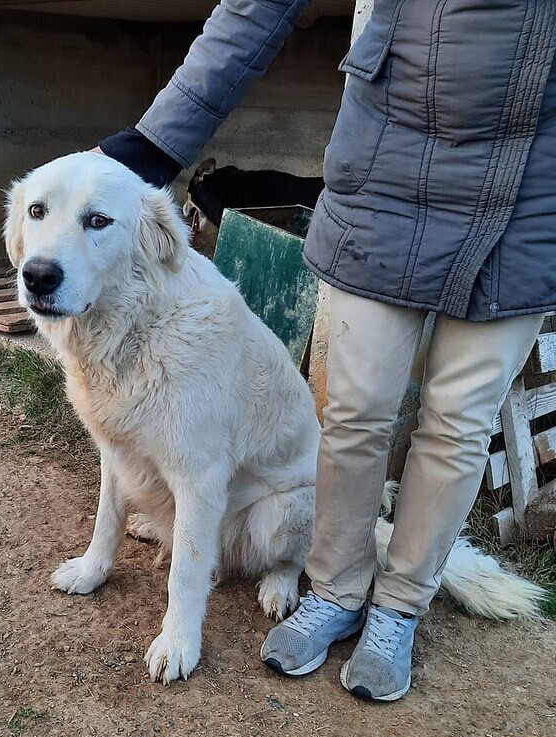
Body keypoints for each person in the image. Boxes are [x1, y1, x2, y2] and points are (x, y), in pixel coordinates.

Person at [94, 0, 556, 701]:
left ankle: (398, 609)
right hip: (390, 173)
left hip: (529, 192)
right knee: (355, 411)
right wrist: (151, 146)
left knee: (459, 425)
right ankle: (336, 591)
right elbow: (257, 7)